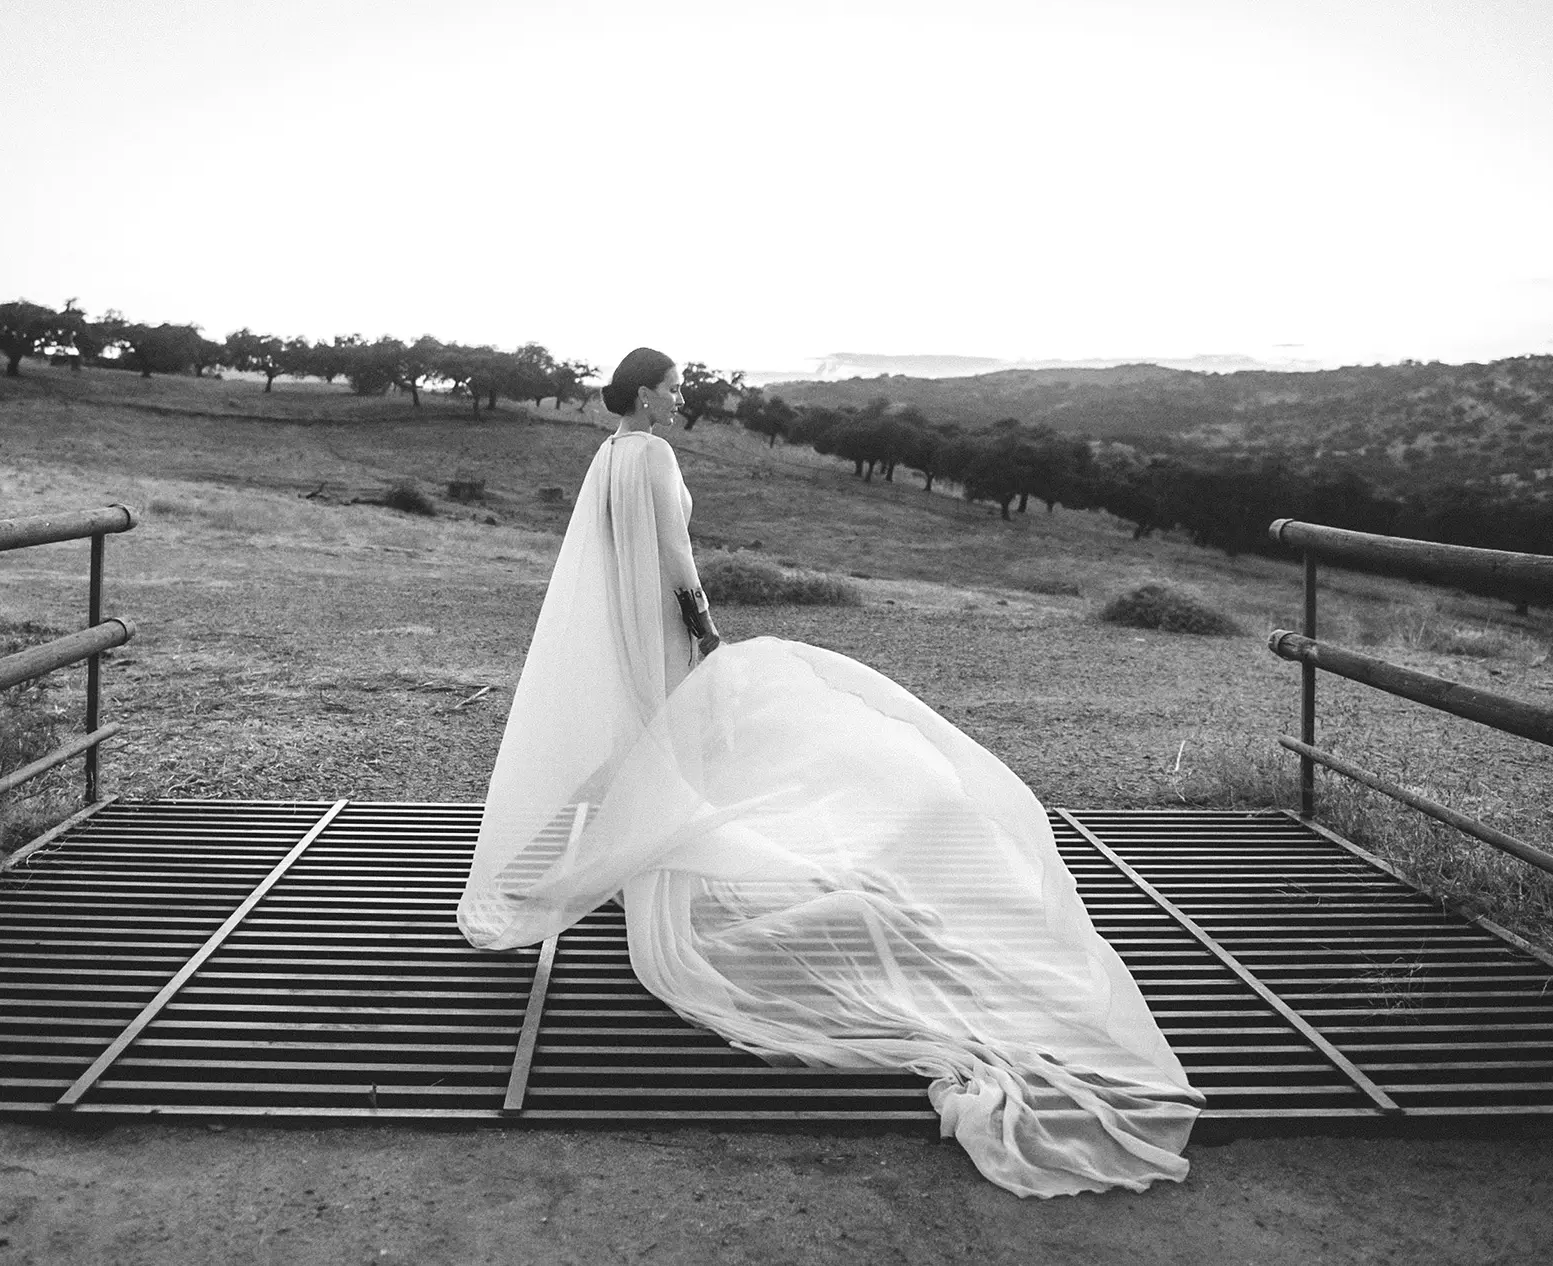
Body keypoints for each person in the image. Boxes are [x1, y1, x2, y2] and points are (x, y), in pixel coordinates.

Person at [458, 348, 1203, 1198]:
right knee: (704, 752)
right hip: (667, 628)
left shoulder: (608, 454)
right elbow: (673, 551)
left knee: (654, 761)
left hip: (631, 633)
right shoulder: (655, 453)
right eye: (670, 385)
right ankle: (682, 875)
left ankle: (647, 874)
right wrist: (705, 629)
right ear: (645, 392)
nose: (678, 395)